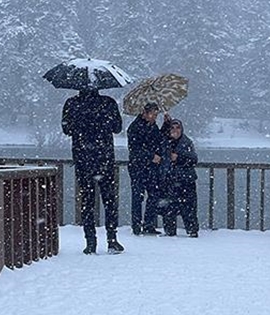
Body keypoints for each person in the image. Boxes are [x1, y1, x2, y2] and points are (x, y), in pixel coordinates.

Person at [61, 87, 124, 255]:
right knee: (109, 201)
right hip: (105, 159)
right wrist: (103, 121)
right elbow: (118, 128)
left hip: (83, 159)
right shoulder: (108, 102)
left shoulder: (72, 103)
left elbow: (66, 129)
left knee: (87, 202)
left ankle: (90, 242)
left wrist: (82, 124)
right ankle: (112, 240)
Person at [127, 102, 164, 235]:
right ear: (144, 113)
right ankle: (136, 226)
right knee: (138, 196)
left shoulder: (153, 127)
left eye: (156, 114)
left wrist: (165, 125)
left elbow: (160, 140)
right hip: (137, 167)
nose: (154, 117)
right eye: (152, 114)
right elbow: (135, 149)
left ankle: (149, 224)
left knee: (153, 195)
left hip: (151, 167)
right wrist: (150, 156)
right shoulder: (134, 128)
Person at [159, 118, 200, 237]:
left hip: (186, 180)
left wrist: (178, 157)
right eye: (172, 128)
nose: (175, 130)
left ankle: (192, 231)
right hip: (169, 180)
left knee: (189, 207)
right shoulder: (164, 142)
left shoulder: (187, 142)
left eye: (178, 128)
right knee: (169, 207)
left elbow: (193, 159)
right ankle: (169, 231)